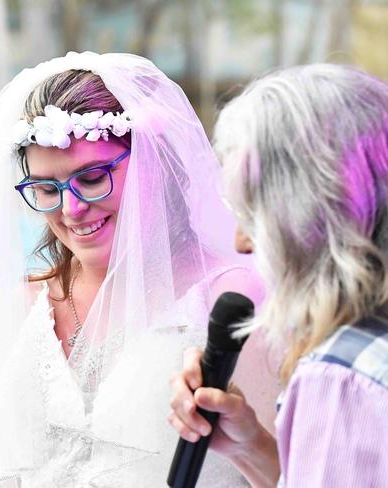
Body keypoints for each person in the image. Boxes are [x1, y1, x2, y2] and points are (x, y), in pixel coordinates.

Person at [0, 51, 276, 487]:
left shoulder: (232, 298)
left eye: (92, 178)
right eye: (47, 188)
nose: (71, 209)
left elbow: (292, 470)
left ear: (154, 163)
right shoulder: (26, 303)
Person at [168, 63, 388, 487]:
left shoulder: (343, 375)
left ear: (308, 213)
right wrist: (248, 445)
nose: (241, 242)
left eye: (253, 216)